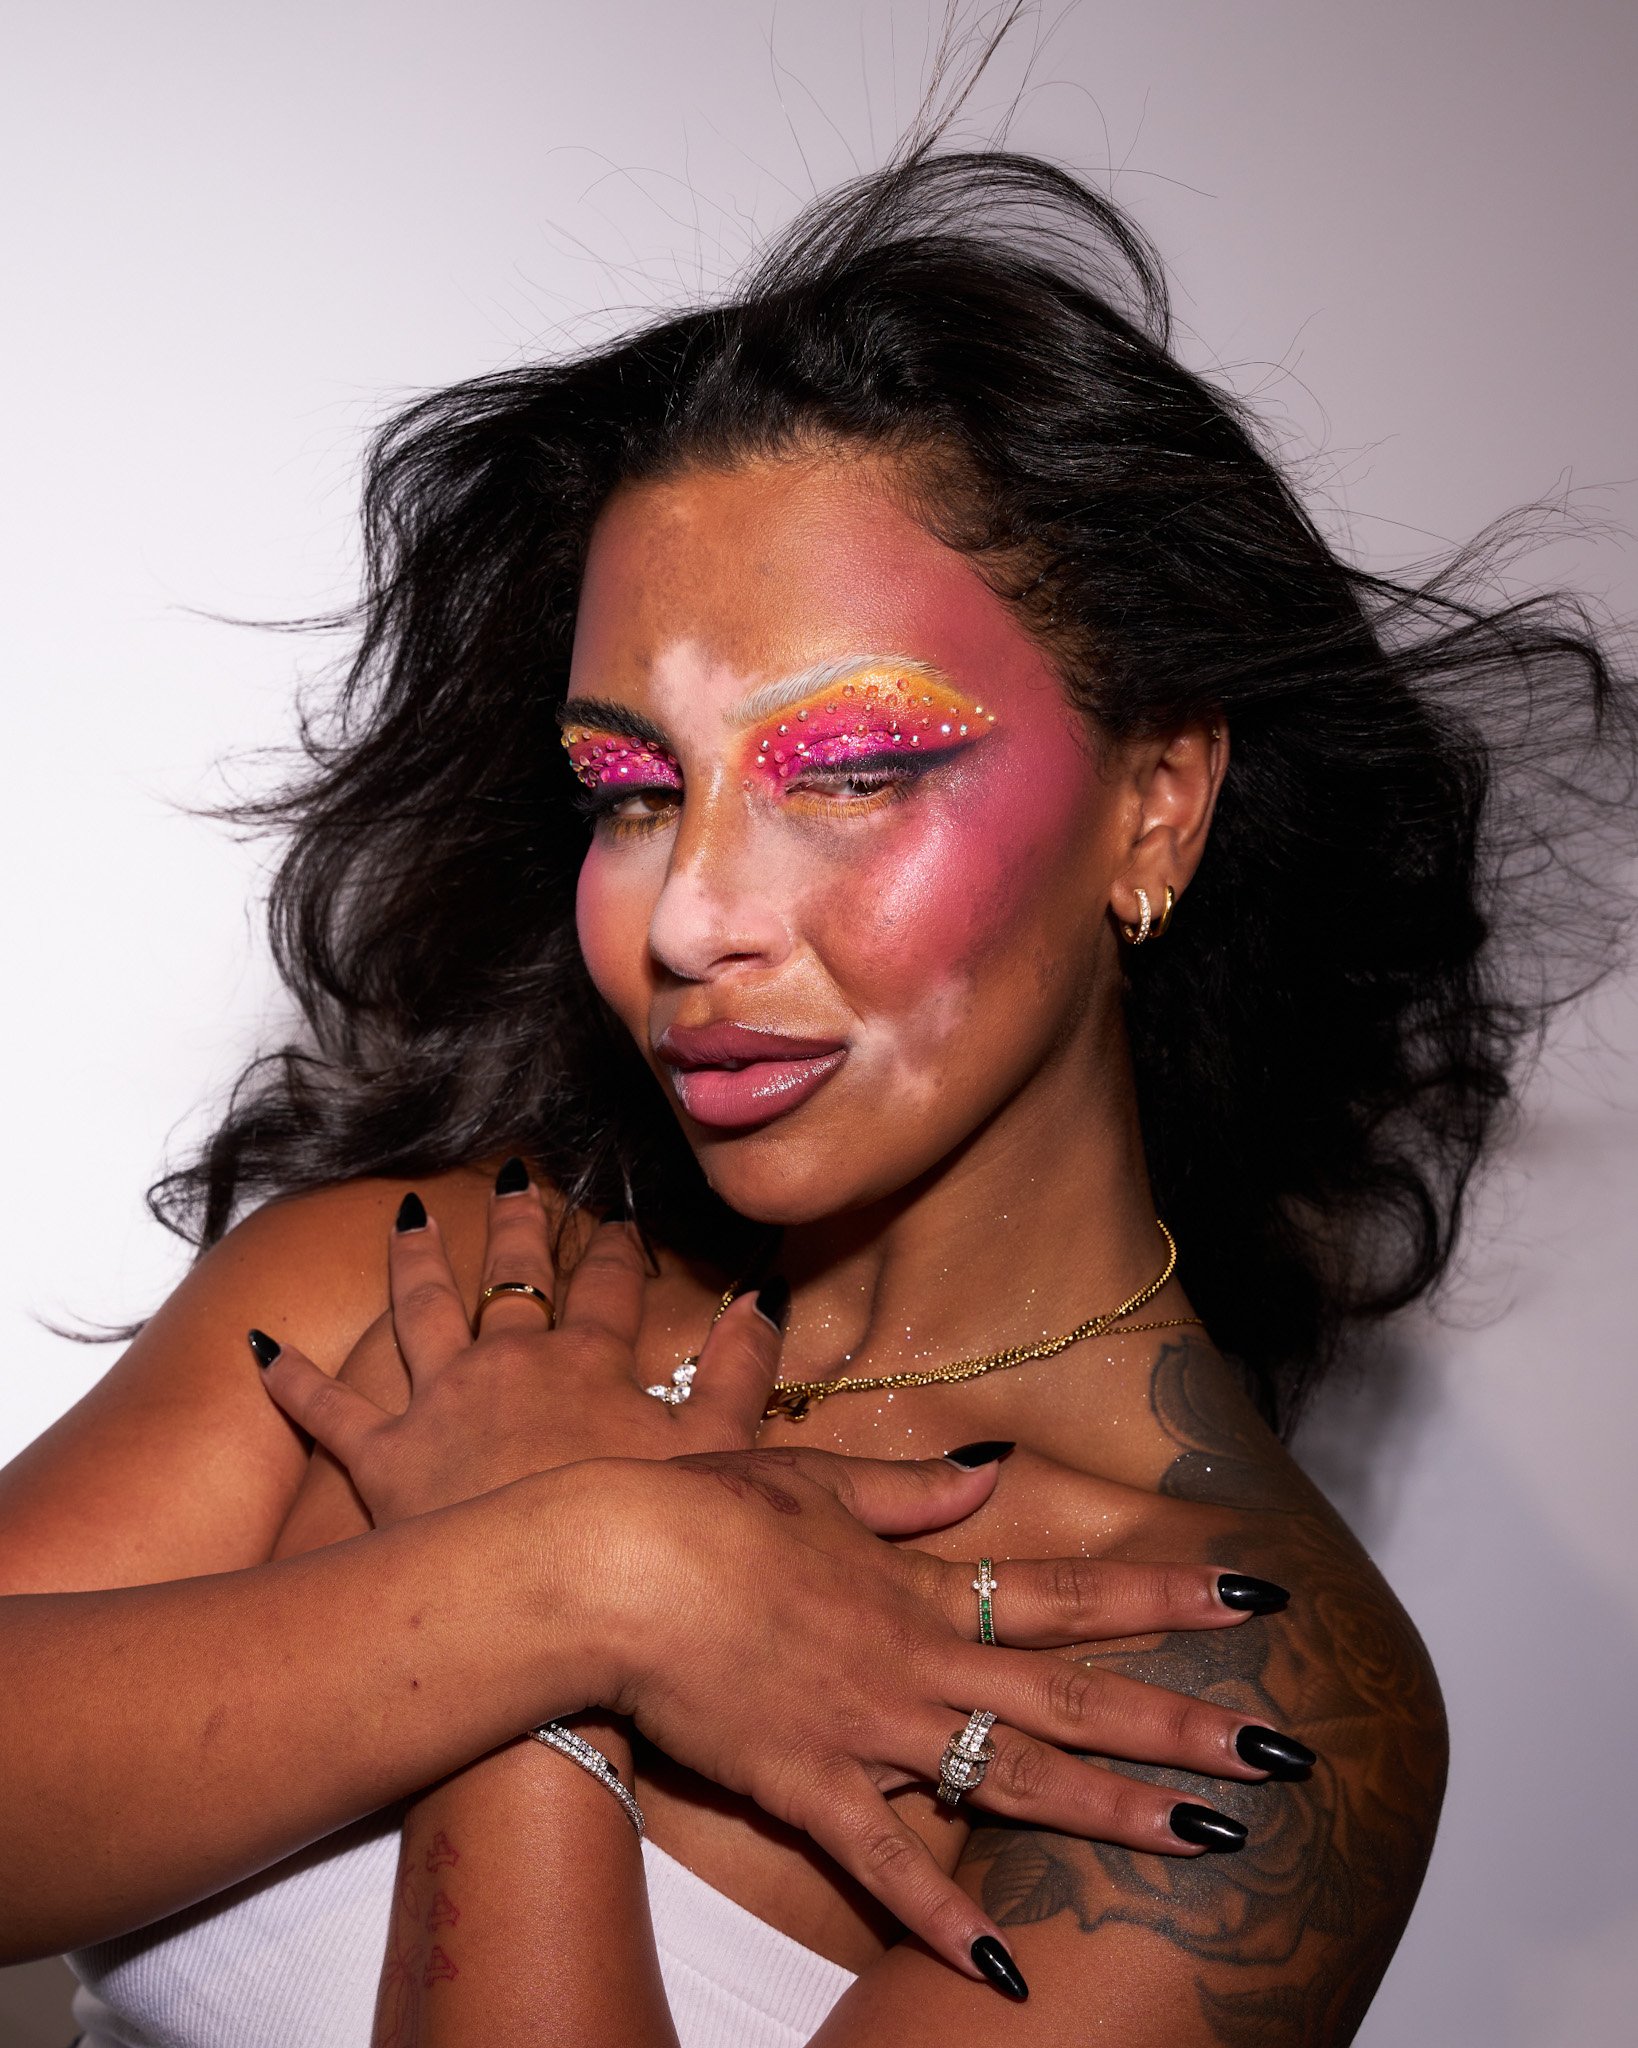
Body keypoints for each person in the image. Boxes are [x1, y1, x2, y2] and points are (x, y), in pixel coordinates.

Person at [1, 140, 1629, 2048]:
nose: (689, 914)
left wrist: (545, 1632)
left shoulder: (1216, 1672)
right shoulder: (424, 1279)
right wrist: (584, 1573)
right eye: (628, 788)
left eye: (849, 768)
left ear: (1153, 803)